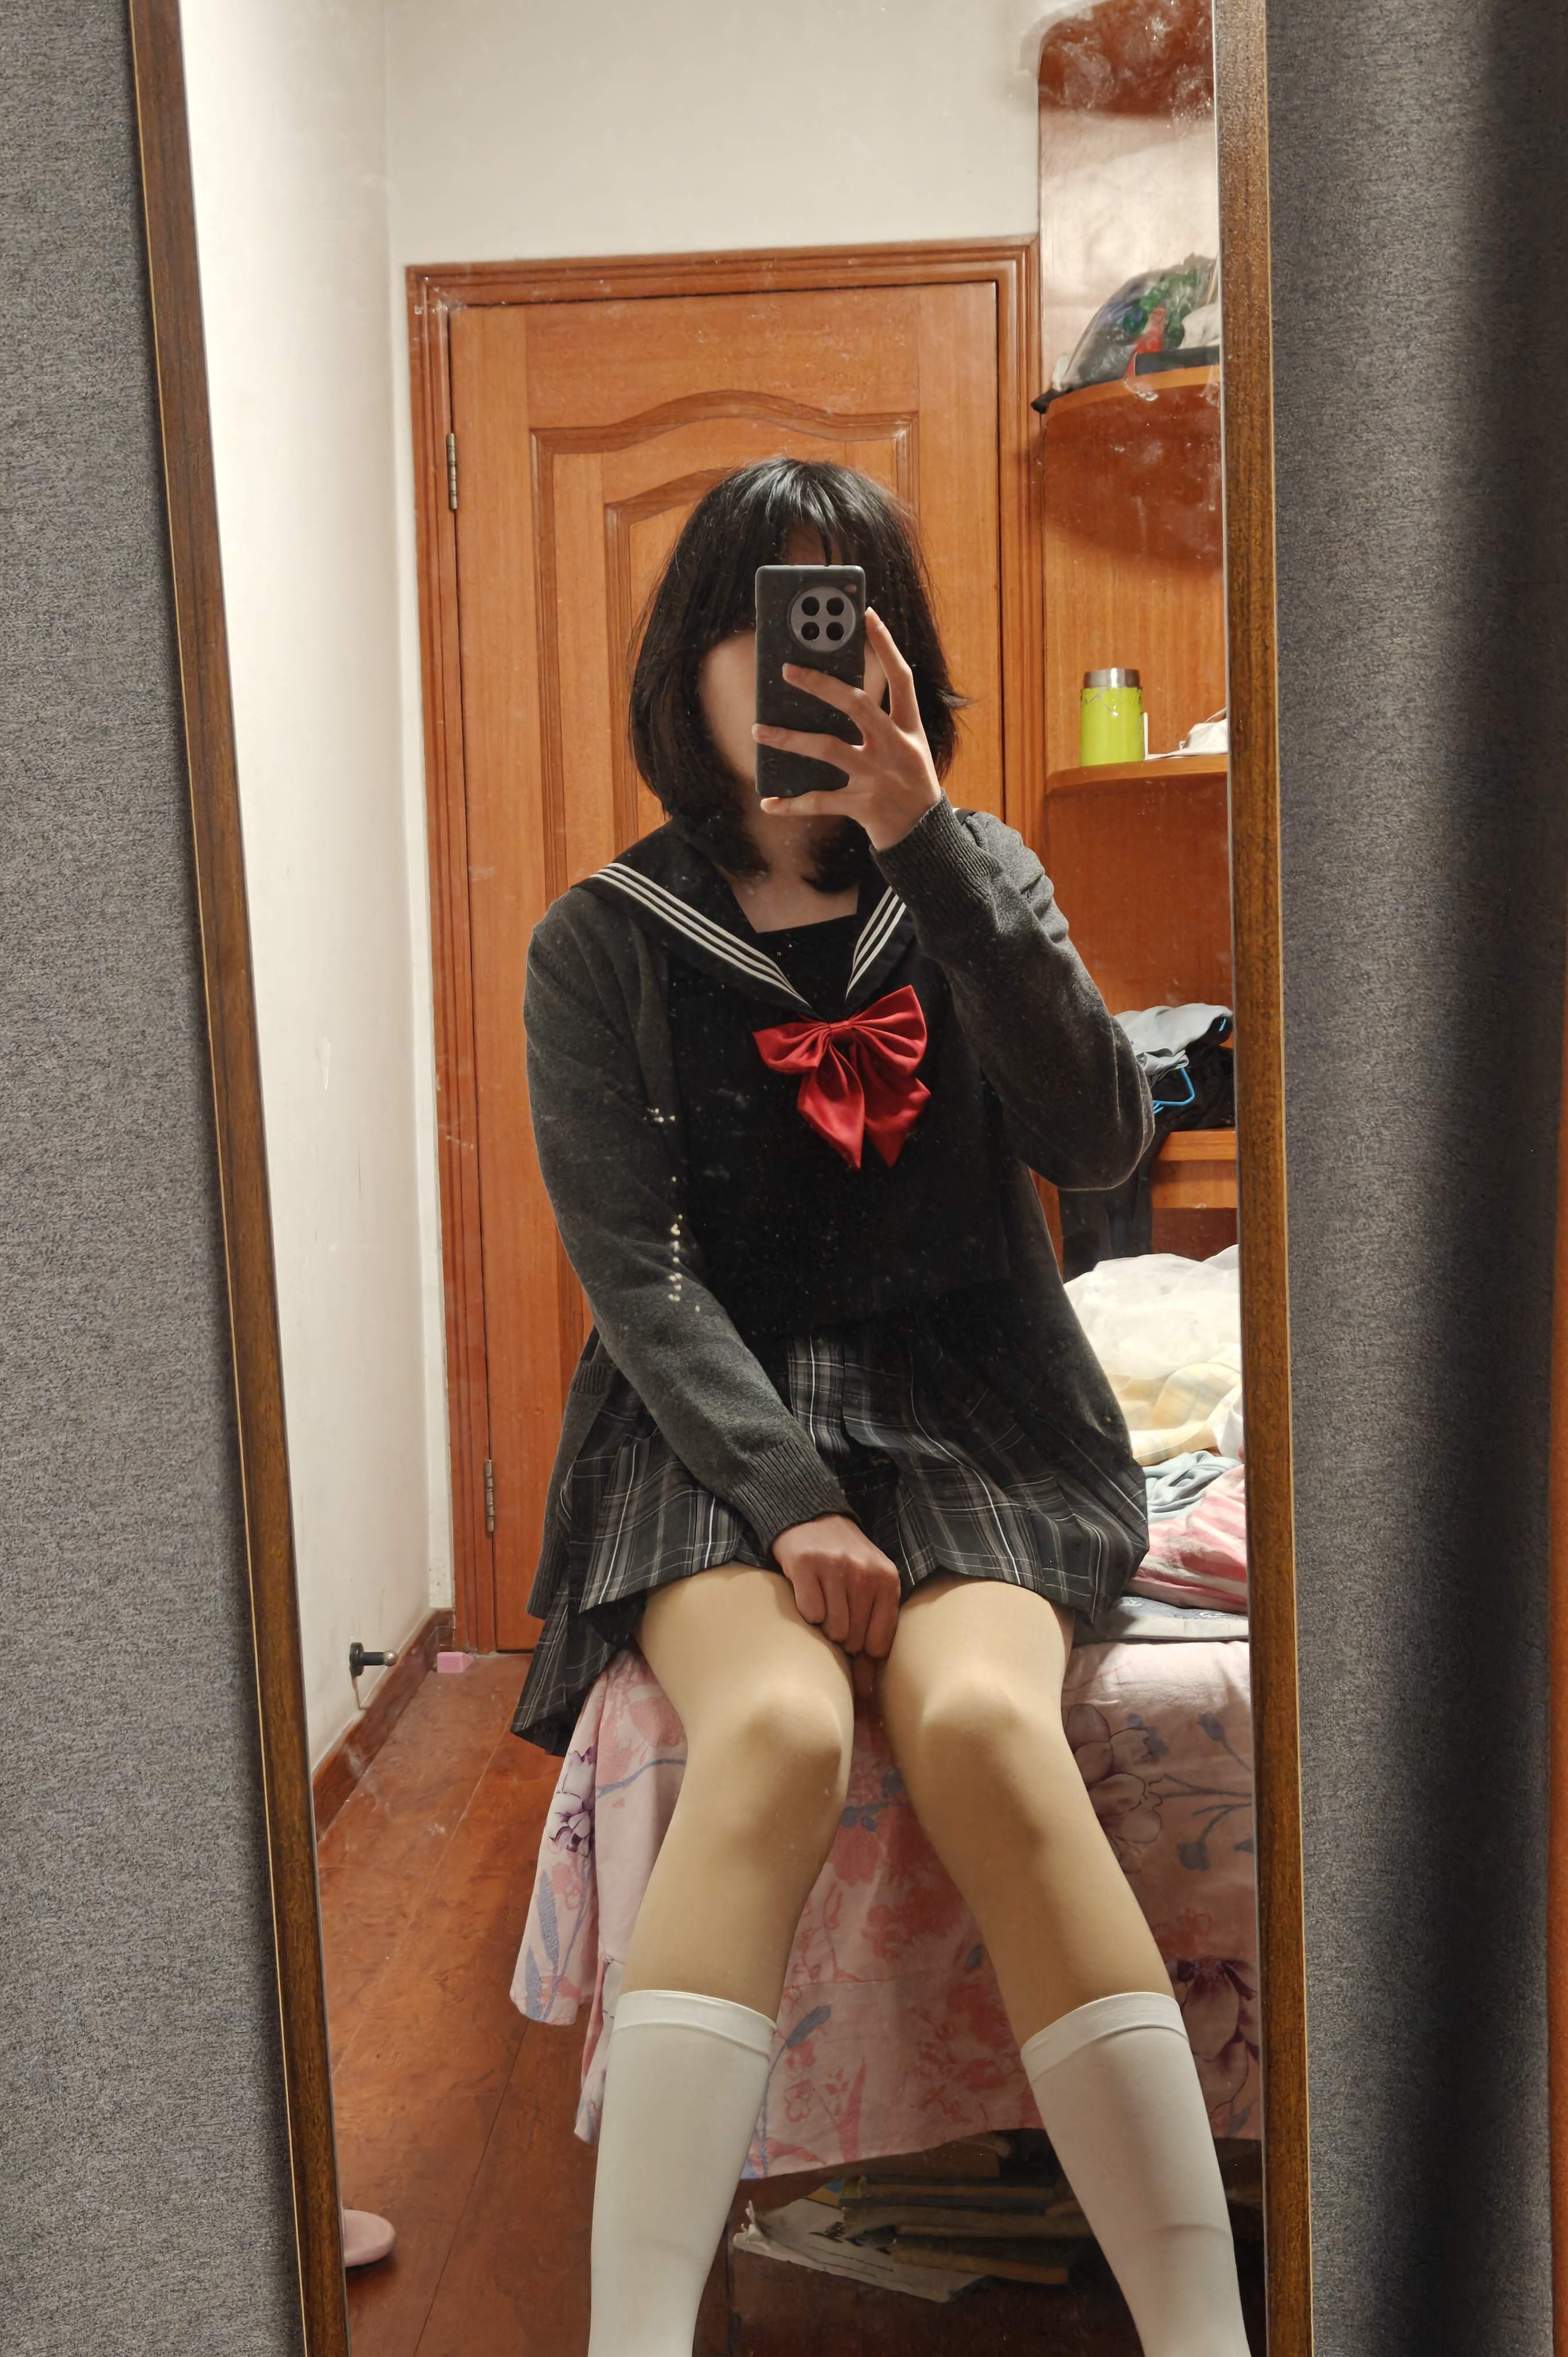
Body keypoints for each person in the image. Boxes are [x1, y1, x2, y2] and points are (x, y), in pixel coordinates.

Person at [510, 459, 1251, 2357]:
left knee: (989, 1724)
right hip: (711, 1422)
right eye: (759, 625)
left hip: (978, 1399)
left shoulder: (977, 874)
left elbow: (1101, 1141)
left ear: (898, 658)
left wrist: (929, 846)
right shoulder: (601, 940)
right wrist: (791, 1500)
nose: (798, 670)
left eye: (839, 627)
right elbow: (638, 1275)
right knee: (768, 1731)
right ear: (690, 663)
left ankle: (1203, 2335)